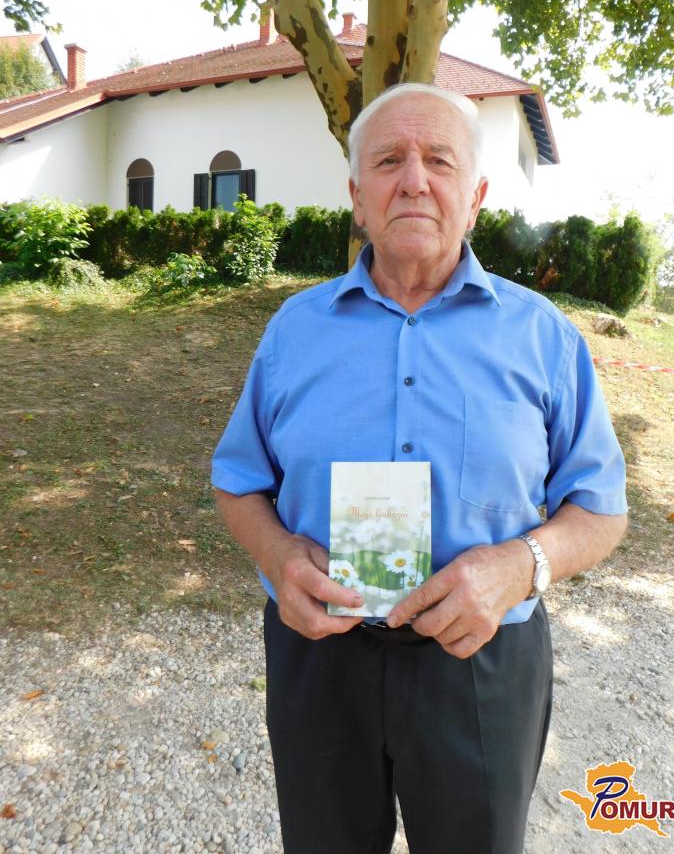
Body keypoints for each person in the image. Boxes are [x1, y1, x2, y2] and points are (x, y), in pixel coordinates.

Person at [211, 82, 628, 854]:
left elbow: (600, 507)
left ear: (476, 198)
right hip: (320, 654)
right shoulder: (294, 331)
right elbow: (238, 481)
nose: (413, 179)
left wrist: (522, 566)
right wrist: (276, 552)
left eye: (439, 160)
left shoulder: (544, 338)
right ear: (356, 197)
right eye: (388, 161)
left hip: (482, 661)